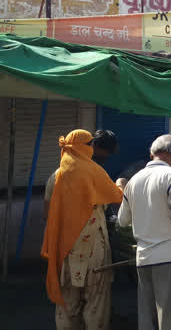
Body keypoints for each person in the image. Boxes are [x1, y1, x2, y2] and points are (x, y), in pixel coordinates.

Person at [117, 134, 171, 330]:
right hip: (169, 256)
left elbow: (123, 221)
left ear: (151, 154)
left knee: (147, 316)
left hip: (142, 257)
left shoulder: (134, 180)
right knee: (169, 316)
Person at [41, 130, 125, 330]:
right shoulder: (93, 171)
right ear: (86, 147)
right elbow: (117, 196)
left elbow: (47, 214)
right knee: (95, 302)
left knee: (67, 302)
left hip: (64, 250)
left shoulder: (56, 176)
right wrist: (121, 184)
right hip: (93, 250)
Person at [44, 129, 118, 219]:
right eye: (90, 145)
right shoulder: (96, 175)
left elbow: (47, 214)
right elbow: (113, 198)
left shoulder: (55, 176)